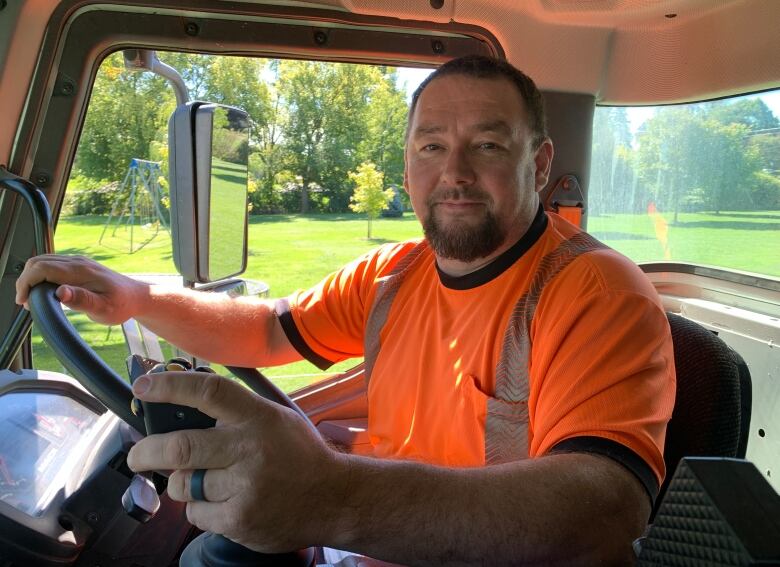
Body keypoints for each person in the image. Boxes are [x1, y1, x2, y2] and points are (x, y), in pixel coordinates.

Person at [16, 55, 675, 566]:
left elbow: (604, 507)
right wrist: (135, 295)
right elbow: (268, 327)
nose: (456, 172)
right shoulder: (395, 273)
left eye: (490, 145)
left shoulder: (595, 292)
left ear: (541, 165)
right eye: (431, 146)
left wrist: (332, 495)